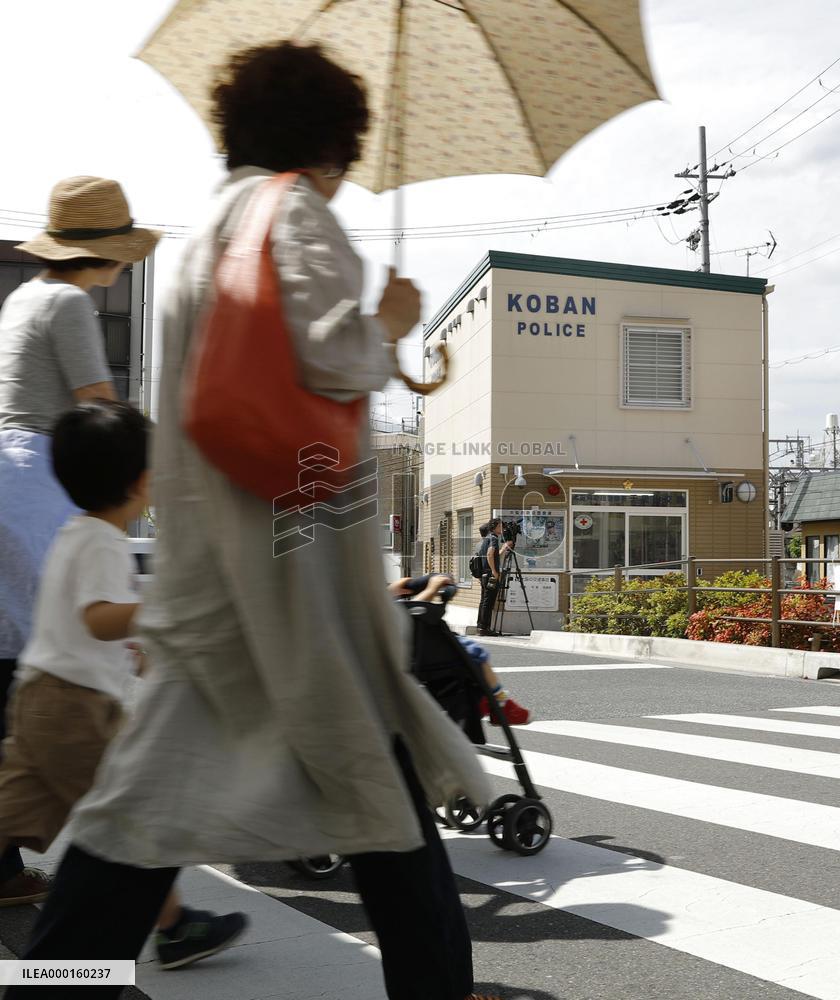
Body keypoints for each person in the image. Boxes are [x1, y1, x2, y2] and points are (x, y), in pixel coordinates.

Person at [9, 43, 493, 1000]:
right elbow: (328, 354)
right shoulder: (296, 213)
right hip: (294, 578)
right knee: (375, 800)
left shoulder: (210, 233)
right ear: (329, 143)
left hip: (220, 577)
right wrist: (388, 319)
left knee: (138, 824)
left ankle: (50, 986)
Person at [0, 401, 246, 969]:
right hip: (76, 709)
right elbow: (98, 617)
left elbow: (82, 623)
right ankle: (173, 928)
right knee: (133, 816)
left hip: (42, 697)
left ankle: (175, 924)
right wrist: (158, 612)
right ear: (141, 480)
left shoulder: (72, 533)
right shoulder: (104, 542)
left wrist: (138, 656)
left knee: (15, 812)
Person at [0, 176, 159, 906]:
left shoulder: (23, 297)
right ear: (104, 254)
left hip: (13, 472)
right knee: (47, 668)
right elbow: (100, 408)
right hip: (40, 482)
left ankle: (6, 859)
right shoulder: (67, 303)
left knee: (15, 661)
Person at [390, 575, 531, 725]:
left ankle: (488, 700)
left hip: (404, 652)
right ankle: (500, 702)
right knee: (473, 652)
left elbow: (388, 594)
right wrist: (432, 588)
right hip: (419, 655)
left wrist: (407, 584)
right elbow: (412, 613)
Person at [477, 518, 508, 636]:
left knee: (484, 601)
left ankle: (481, 626)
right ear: (494, 527)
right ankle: (485, 628)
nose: (502, 528)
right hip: (490, 574)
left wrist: (503, 549)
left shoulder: (486, 539)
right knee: (488, 602)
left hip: (484, 574)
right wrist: (495, 571)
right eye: (500, 526)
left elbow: (492, 555)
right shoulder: (494, 538)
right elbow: (490, 554)